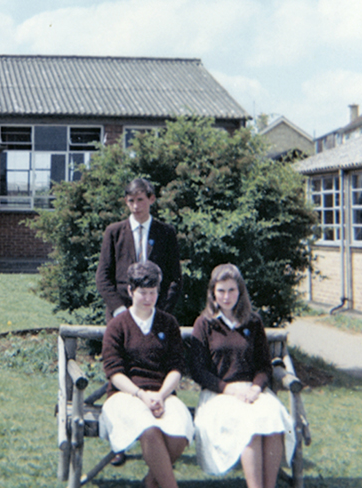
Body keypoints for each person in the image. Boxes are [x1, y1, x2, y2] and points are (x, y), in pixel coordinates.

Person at [189, 264, 295, 488]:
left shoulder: (253, 322)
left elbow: (264, 366)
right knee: (251, 427)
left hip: (252, 392)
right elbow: (198, 371)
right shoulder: (205, 324)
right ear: (213, 293)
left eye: (232, 290)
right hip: (218, 394)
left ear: (240, 292)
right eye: (221, 291)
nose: (226, 297)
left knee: (275, 419)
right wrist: (228, 389)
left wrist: (256, 388)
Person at [100, 261, 194, 488]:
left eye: (153, 292)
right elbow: (114, 371)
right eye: (143, 292)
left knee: (180, 431)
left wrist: (161, 395)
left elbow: (176, 367)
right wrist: (142, 395)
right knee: (149, 428)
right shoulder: (117, 325)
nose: (148, 298)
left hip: (162, 394)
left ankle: (151, 483)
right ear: (131, 291)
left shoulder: (168, 323)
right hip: (127, 395)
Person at [96, 178, 181, 323]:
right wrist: (120, 310)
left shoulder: (166, 233)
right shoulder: (114, 232)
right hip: (120, 316)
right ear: (126, 201)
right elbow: (103, 277)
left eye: (140, 200)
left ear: (151, 199)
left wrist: (159, 312)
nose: (135, 206)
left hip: (156, 317)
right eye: (131, 201)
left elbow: (175, 279)